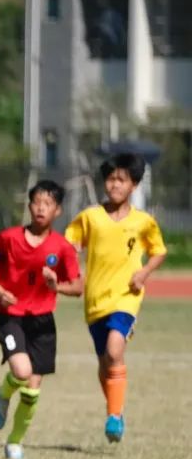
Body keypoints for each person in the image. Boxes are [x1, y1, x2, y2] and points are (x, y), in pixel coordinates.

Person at [65, 153, 167, 443]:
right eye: (110, 179)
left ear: (133, 185)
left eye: (121, 180)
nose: (114, 185)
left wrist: (144, 273)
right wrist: (68, 261)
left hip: (127, 296)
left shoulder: (143, 222)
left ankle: (113, 415)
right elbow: (70, 242)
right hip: (96, 298)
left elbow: (159, 251)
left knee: (114, 350)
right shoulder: (90, 217)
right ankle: (116, 412)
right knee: (103, 362)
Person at [0, 180, 82, 459]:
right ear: (29, 206)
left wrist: (55, 286)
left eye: (47, 204)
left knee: (32, 392)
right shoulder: (8, 238)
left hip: (42, 322)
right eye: (36, 202)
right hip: (10, 316)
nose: (40, 208)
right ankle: (2, 395)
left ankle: (14, 442)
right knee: (21, 372)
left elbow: (78, 287)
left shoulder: (62, 248)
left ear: (57, 211)